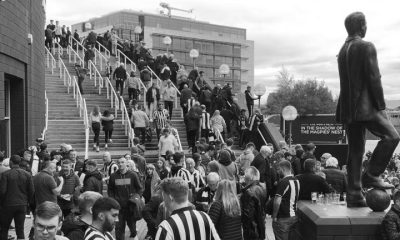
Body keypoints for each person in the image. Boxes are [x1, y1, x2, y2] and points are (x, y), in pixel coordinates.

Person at [336, 12, 400, 207]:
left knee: (355, 150)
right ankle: (371, 175)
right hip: (363, 107)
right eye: (365, 24)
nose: (366, 27)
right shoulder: (366, 46)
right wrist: (381, 106)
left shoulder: (343, 49)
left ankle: (354, 195)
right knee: (392, 137)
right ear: (361, 26)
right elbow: (374, 78)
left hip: (347, 107)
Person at [154, 177, 220, 240]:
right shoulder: (205, 217)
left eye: (164, 197)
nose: (164, 201)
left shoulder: (166, 227)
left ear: (170, 197)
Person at [0, 155, 34, 240]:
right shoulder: (27, 175)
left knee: (4, 229)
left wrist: (1, 203)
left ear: (11, 162)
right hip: (22, 205)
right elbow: (32, 191)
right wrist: (28, 202)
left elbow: (2, 191)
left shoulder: (5, 174)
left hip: (7, 205)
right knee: (20, 229)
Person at [108, 157, 143, 240]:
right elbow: (110, 190)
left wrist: (136, 198)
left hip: (130, 206)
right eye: (119, 162)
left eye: (122, 162)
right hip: (118, 207)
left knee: (132, 227)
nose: (120, 164)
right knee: (119, 228)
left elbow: (139, 188)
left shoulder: (133, 175)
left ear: (126, 163)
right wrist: (113, 200)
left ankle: (134, 235)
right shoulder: (113, 176)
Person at [272, 160, 300, 240]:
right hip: (294, 216)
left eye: (278, 169)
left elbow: (277, 201)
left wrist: (274, 216)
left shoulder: (284, 182)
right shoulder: (296, 180)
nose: (277, 172)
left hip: (283, 218)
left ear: (283, 169)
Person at [241, 166, 266, 240]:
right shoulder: (261, 188)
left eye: (245, 175)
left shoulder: (249, 192)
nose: (244, 177)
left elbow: (247, 215)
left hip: (252, 229)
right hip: (260, 225)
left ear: (249, 178)